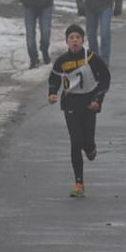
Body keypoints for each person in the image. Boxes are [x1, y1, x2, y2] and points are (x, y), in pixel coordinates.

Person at [48, 24, 111, 198]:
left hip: (89, 103)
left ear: (83, 40)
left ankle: (90, 148)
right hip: (70, 103)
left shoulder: (92, 58)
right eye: (71, 38)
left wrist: (97, 100)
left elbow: (105, 79)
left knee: (87, 143)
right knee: (76, 142)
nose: (74, 40)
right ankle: (79, 183)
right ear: (66, 42)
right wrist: (52, 93)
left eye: (77, 37)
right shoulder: (62, 61)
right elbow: (54, 79)